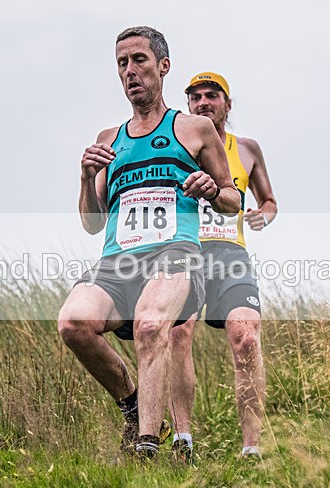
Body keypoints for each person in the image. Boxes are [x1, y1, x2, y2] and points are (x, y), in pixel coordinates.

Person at [57, 29, 241, 459]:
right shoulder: (108, 139)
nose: (129, 72)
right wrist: (85, 177)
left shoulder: (193, 128)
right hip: (118, 259)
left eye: (139, 60)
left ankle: (145, 446)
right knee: (72, 323)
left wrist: (212, 189)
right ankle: (133, 403)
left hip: (175, 253)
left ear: (163, 66)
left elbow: (232, 199)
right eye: (122, 64)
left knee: (152, 324)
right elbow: (90, 222)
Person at [169, 72, 278, 461]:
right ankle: (183, 440)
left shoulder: (246, 149)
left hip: (230, 252)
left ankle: (252, 448)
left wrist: (263, 215)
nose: (203, 102)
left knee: (246, 338)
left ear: (227, 105)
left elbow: (269, 201)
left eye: (211, 95)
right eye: (195, 97)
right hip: (185, 250)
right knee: (177, 335)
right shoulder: (174, 144)